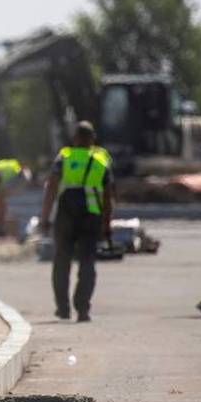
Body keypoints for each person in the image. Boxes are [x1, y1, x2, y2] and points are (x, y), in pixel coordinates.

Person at [38, 121, 114, 322]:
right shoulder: (101, 159)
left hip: (66, 214)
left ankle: (63, 308)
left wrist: (45, 218)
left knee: (62, 261)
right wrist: (107, 225)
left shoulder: (65, 156)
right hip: (92, 215)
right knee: (87, 263)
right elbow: (108, 197)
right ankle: (83, 309)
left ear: (75, 139)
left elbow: (51, 188)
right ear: (92, 139)